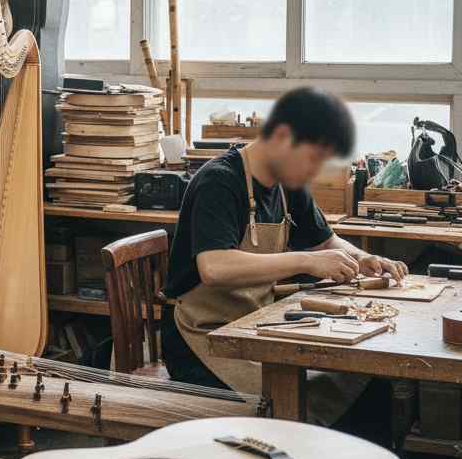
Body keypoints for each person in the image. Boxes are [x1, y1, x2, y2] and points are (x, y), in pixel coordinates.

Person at [163, 87, 406, 425]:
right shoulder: (218, 182)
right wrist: (306, 261)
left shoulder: (288, 183)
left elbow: (325, 241)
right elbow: (215, 267)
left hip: (252, 324)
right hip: (202, 338)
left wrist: (365, 259)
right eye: (312, 158)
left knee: (367, 383)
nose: (314, 170)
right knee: (300, 400)